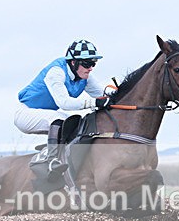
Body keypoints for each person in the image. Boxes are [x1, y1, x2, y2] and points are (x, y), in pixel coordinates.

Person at [15, 39, 112, 180]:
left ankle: (63, 155)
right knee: (60, 119)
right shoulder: (56, 72)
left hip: (46, 113)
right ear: (73, 62)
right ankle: (51, 161)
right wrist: (94, 102)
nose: (90, 68)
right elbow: (65, 102)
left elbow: (103, 94)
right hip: (26, 113)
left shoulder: (84, 76)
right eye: (87, 63)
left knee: (75, 123)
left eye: (93, 63)